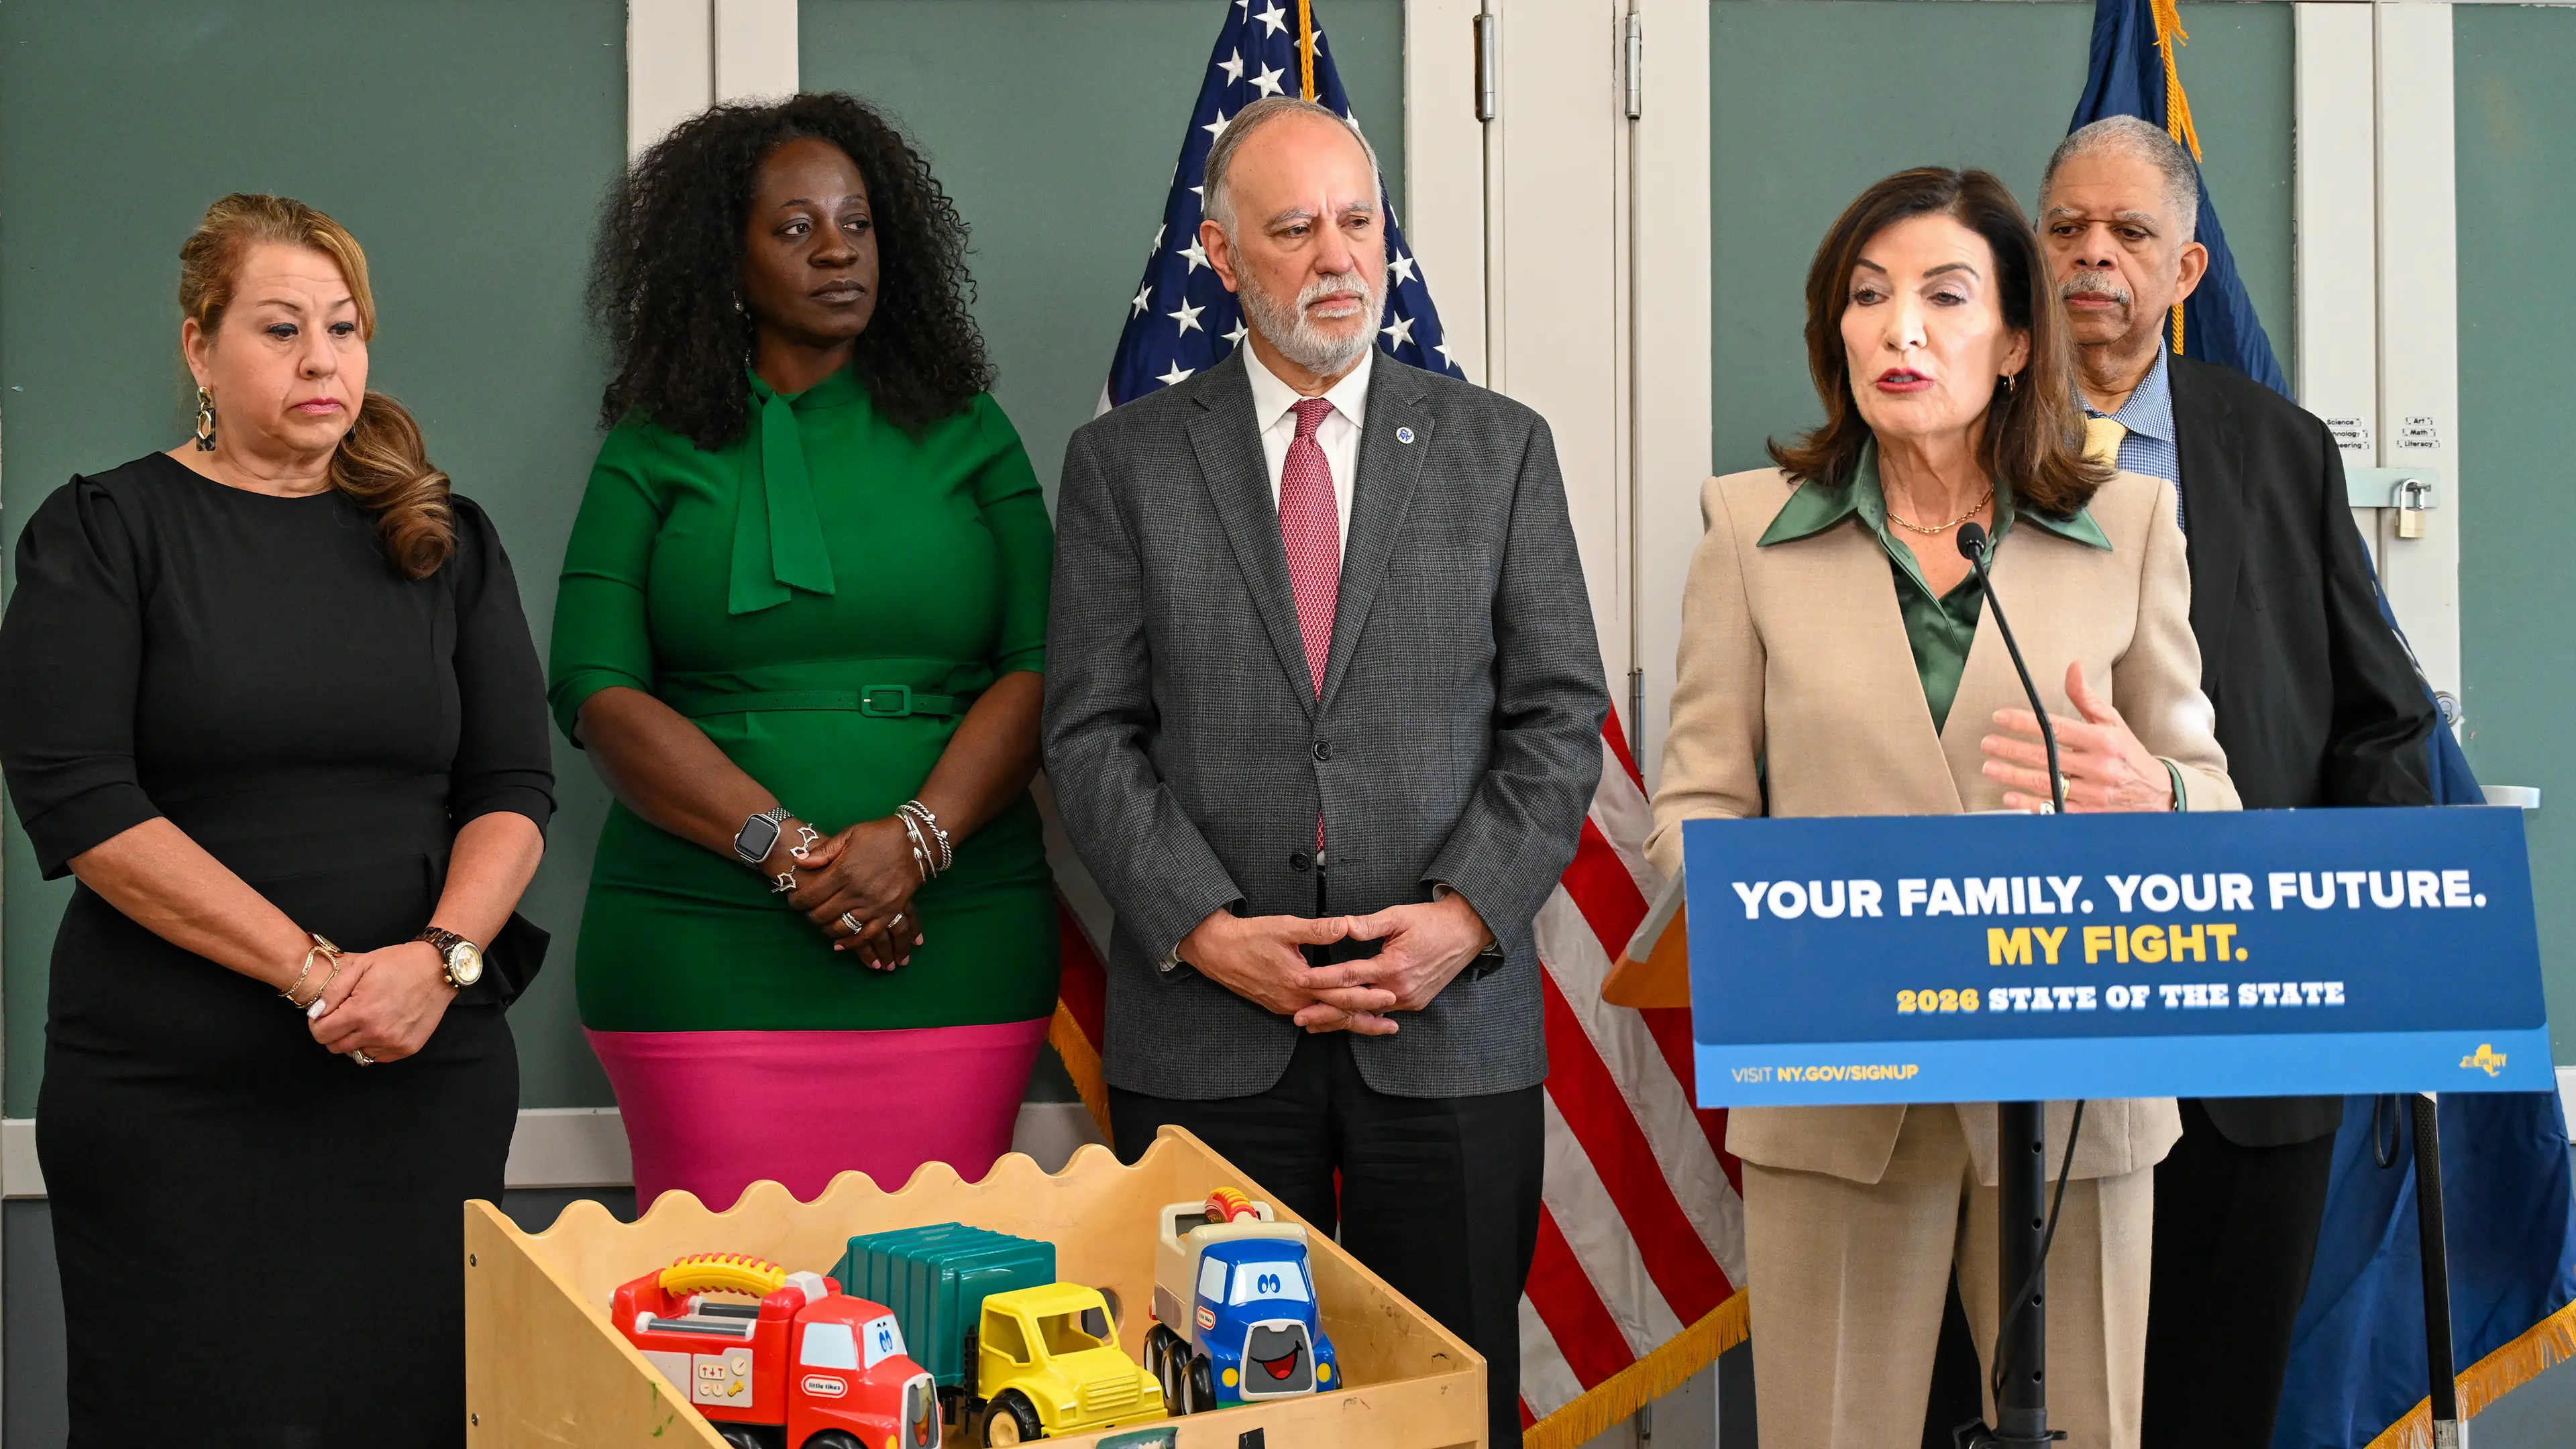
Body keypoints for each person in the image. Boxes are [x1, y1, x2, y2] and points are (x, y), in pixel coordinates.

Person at [1042, 95, 1609, 1446]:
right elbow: (1087, 733)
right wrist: (1203, 931)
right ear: (1222, 256)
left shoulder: (1498, 447)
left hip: (1448, 1022)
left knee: (1450, 1407)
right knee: (1214, 1414)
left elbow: (1559, 714)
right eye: (1293, 229)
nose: (1337, 258)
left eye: (1359, 222)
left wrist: (1463, 920)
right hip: (1207, 1029)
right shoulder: (1123, 462)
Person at [1648, 166, 2240, 1449]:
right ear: (1834, 331)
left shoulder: (2128, 523)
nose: (1898, 329)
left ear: (2018, 339)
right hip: (1838, 1082)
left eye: (1943, 296)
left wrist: (2156, 791)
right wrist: (1759, 907)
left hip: (2078, 1086)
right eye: (1867, 298)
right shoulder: (1749, 532)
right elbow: (1694, 803)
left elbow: (2211, 800)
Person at [0, 194, 553, 1445]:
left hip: (422, 1081)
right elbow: (82, 802)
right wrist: (313, 974)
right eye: (282, 327)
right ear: (198, 348)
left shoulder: (443, 541)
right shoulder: (102, 532)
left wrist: (437, 965)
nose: (323, 359)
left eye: (346, 328)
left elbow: (515, 791)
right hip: (174, 1104)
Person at [552, 93, 1057, 1210]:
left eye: (859, 223)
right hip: (700, 947)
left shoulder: (973, 430)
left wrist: (918, 843)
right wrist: (792, 854)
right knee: (718, 1319)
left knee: (933, 1301)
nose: (837, 250)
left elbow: (1046, 669)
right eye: (794, 228)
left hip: (956, 944)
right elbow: (594, 689)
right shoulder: (650, 446)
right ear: (724, 260)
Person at [2037, 115, 2439, 1448]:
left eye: (2129, 234)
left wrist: (2329, 924)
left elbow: (2386, 723)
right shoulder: (1958, 445)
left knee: (2219, 1409)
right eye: (2066, 232)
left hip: (2251, 1034)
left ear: (2188, 271)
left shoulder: (2278, 447)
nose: (2094, 257)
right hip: (2028, 1038)